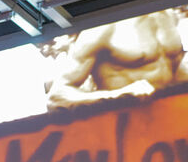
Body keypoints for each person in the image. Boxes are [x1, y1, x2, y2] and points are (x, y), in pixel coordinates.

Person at [47, 8, 188, 109]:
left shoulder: (169, 16)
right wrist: (117, 96)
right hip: (123, 126)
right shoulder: (102, 29)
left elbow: (175, 75)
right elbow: (56, 97)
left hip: (171, 125)